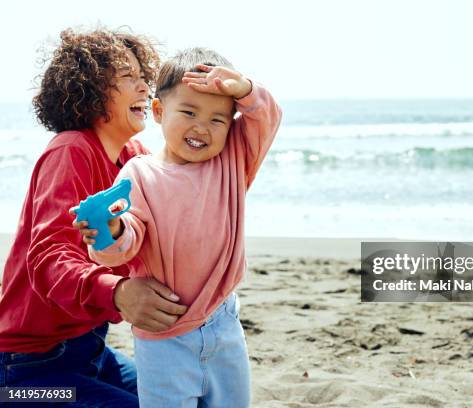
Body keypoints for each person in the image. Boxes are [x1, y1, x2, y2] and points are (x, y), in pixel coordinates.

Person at [74, 47, 282, 407]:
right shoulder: (139, 174)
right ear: (158, 111)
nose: (202, 127)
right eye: (188, 112)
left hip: (223, 323)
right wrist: (111, 231)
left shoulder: (234, 159)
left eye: (218, 119)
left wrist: (245, 88)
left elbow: (267, 116)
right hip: (164, 337)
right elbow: (123, 247)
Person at [0, 27, 188, 407]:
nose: (144, 88)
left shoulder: (135, 158)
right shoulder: (70, 151)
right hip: (25, 371)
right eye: (128, 77)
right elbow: (48, 258)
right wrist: (117, 292)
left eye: (143, 78)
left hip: (91, 352)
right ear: (89, 89)